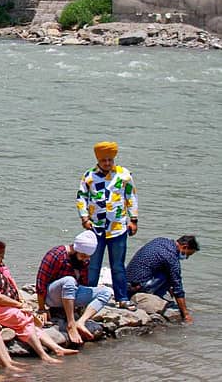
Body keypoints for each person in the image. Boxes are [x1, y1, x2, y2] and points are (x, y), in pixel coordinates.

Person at [0, 238, 78, 363]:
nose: (3, 259)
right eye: (1, 256)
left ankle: (56, 348)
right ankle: (43, 354)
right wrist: (19, 305)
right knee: (22, 317)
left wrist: (21, 300)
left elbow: (11, 284)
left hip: (6, 303)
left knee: (29, 322)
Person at [76, 141, 139, 310]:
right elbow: (81, 197)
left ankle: (122, 298)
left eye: (110, 160)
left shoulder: (124, 175)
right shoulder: (89, 176)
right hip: (95, 227)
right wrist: (84, 218)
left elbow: (131, 197)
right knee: (92, 264)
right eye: (104, 160)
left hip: (118, 228)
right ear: (98, 160)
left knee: (118, 265)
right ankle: (88, 296)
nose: (107, 163)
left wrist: (133, 220)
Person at [36, 230, 112, 344]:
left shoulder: (84, 261)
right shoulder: (56, 255)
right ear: (75, 249)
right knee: (69, 280)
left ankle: (81, 322)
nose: (85, 259)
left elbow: (83, 283)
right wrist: (42, 309)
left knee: (106, 291)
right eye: (83, 256)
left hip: (71, 295)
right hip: (53, 296)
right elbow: (40, 284)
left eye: (88, 257)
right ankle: (71, 324)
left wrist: (80, 307)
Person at [126, 235, 200, 323]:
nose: (186, 258)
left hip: (127, 280)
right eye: (188, 254)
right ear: (184, 247)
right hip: (137, 287)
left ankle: (159, 297)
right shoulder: (171, 258)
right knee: (170, 275)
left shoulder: (160, 241)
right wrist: (186, 314)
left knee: (167, 272)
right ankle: (157, 298)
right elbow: (177, 287)